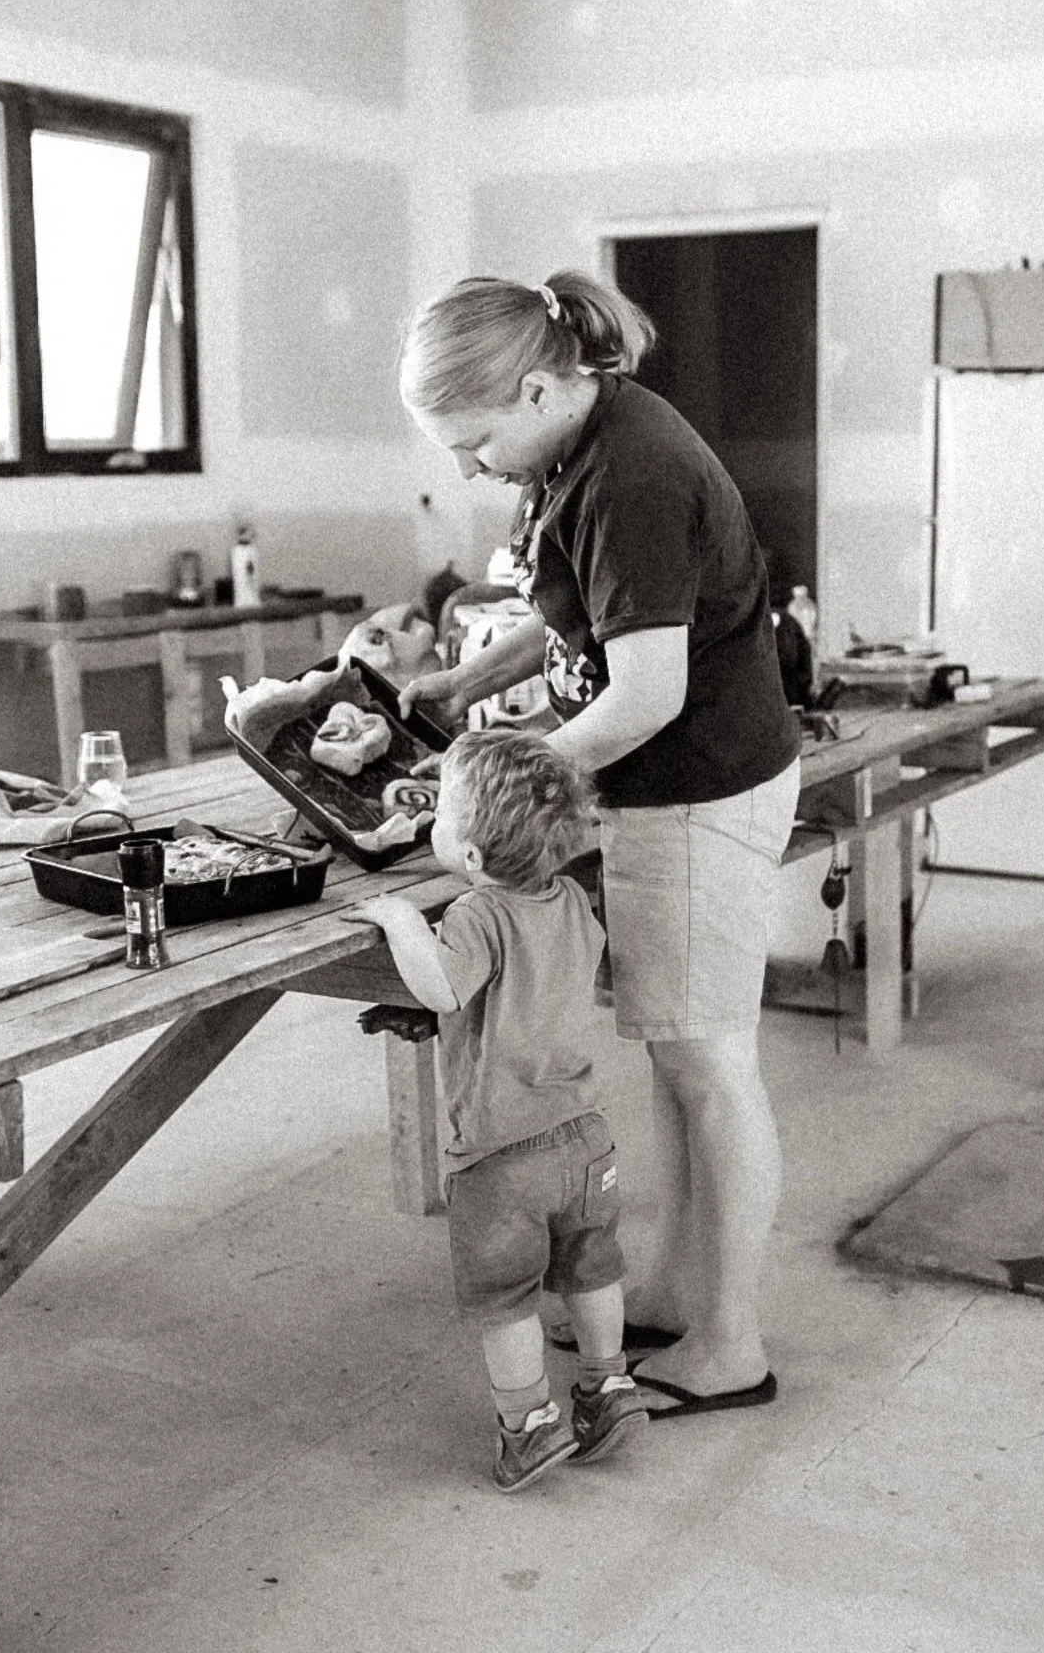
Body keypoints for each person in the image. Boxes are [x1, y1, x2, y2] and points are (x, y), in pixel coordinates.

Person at [384, 270, 802, 1419]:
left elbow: (648, 694)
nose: (469, 470)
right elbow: (577, 612)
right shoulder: (577, 444)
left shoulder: (635, 472)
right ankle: (674, 1288)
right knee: (679, 1060)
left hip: (695, 789)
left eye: (473, 443)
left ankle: (730, 1346)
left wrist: (507, 777)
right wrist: (468, 681)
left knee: (712, 1068)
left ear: (531, 388)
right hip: (668, 791)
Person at [349, 729, 649, 1492]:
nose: (432, 824)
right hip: (584, 1137)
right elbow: (524, 991)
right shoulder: (572, 897)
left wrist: (401, 922)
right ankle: (608, 1387)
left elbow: (445, 988)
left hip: (501, 1155)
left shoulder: (477, 914)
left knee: (506, 1297)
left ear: (474, 859)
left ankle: (529, 1426)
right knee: (591, 1265)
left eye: (442, 815)